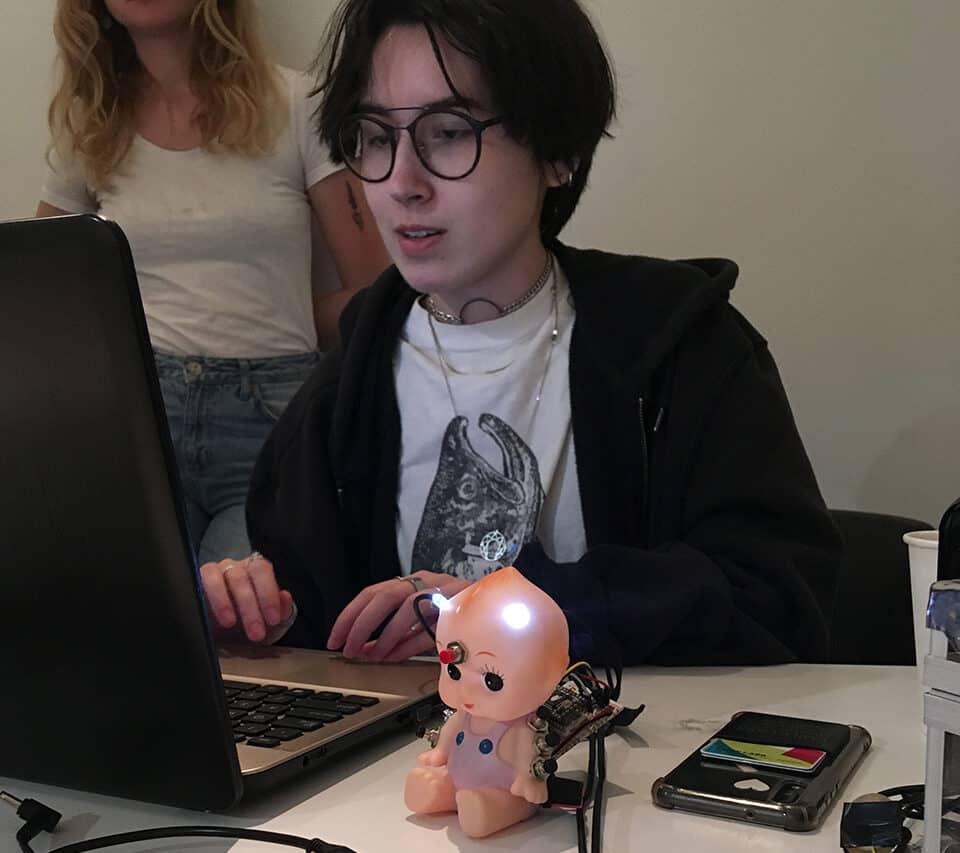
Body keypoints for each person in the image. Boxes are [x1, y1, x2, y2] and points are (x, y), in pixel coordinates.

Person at [199, 0, 843, 663]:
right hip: (419, 763)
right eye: (377, 136)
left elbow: (774, 596)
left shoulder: (684, 345)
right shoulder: (344, 387)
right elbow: (322, 621)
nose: (402, 182)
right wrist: (253, 616)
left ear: (558, 151)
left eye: (448, 131)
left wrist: (520, 609)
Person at [38, 0, 389, 566]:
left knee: (239, 623)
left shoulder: (298, 105)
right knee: (143, 620)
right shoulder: (93, 126)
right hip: (137, 419)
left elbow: (375, 294)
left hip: (269, 421)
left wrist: (280, 320)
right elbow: (38, 295)